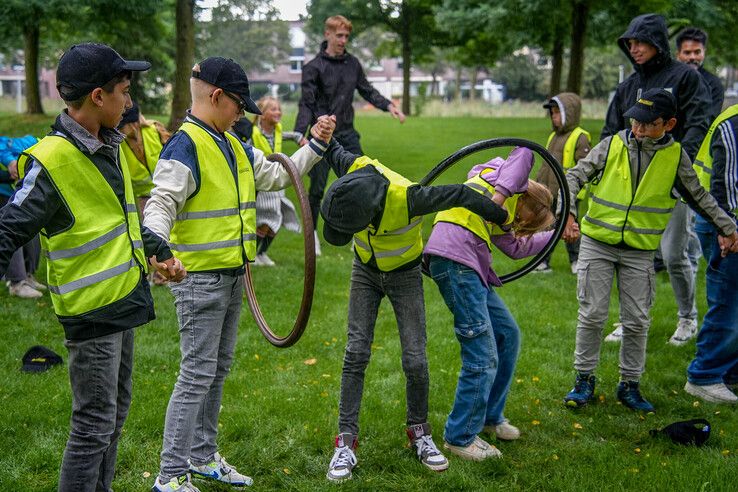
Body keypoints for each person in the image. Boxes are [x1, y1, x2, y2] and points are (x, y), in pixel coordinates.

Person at [143, 57, 335, 492]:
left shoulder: (231, 144)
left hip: (233, 276)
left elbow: (273, 175)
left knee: (216, 368)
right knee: (196, 373)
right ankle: (170, 475)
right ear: (216, 97)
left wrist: (316, 146)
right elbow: (160, 203)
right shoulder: (185, 145)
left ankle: (203, 455)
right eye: (237, 105)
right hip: (201, 281)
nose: (242, 113)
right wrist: (158, 245)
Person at [0, 43, 185, 492]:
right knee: (92, 427)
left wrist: (158, 249)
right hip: (92, 313)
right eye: (124, 90)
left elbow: (121, 218)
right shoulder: (51, 162)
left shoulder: (109, 144)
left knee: (112, 419)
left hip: (121, 302)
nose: (129, 101)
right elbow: (6, 229)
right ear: (98, 96)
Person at [318, 140, 509, 481]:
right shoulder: (355, 169)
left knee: (415, 358)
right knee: (355, 352)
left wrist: (500, 216)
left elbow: (460, 194)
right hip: (364, 271)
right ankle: (345, 442)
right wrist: (323, 132)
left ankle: (420, 433)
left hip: (404, 275)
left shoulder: (409, 198)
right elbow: (334, 150)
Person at [562, 89, 738, 413]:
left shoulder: (675, 158)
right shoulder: (613, 144)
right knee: (593, 314)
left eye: (648, 123)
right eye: (635, 120)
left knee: (637, 321)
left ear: (669, 124)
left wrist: (728, 227)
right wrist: (568, 213)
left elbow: (700, 197)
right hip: (597, 243)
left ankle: (629, 384)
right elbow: (573, 176)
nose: (638, 129)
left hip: (639, 252)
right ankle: (583, 379)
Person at [425, 148, 555, 461]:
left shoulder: (503, 210)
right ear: (526, 198)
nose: (521, 224)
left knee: (507, 334)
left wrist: (553, 234)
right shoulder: (500, 177)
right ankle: (460, 436)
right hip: (457, 261)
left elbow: (514, 247)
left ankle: (489, 417)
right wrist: (498, 199)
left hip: (471, 266)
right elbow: (524, 152)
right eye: (528, 218)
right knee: (481, 355)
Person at [601, 14, 712, 346]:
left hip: (672, 185)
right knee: (633, 256)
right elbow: (611, 133)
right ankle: (630, 321)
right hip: (632, 187)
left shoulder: (685, 78)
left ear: (657, 42)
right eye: (629, 44)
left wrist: (680, 167)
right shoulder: (628, 87)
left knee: (675, 255)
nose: (633, 49)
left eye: (640, 42)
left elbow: (698, 121)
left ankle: (688, 318)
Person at [295, 14, 406, 255]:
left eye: (346, 36)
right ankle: (312, 235)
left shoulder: (353, 64)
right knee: (317, 187)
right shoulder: (313, 67)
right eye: (339, 35)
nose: (344, 40)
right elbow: (307, 103)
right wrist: (299, 133)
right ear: (327, 35)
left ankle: (362, 232)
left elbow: (367, 90)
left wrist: (389, 105)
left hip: (347, 134)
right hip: (322, 135)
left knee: (366, 181)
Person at [684, 103, 738, 404]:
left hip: (727, 221)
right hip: (722, 221)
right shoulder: (732, 123)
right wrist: (728, 229)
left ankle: (729, 370)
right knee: (728, 301)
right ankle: (705, 376)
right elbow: (724, 184)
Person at [232, 95, 303, 267]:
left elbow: (290, 135)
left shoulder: (277, 130)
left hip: (277, 179)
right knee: (266, 221)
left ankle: (261, 253)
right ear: (262, 115)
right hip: (262, 180)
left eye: (279, 109)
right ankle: (253, 254)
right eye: (273, 109)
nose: (278, 112)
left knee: (276, 221)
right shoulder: (254, 133)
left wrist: (299, 137)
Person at [534, 92, 591, 274]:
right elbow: (546, 164)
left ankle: (576, 261)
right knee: (546, 227)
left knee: (569, 228)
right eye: (552, 113)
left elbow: (585, 167)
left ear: (570, 113)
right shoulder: (553, 137)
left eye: (558, 113)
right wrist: (538, 184)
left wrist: (575, 195)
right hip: (550, 192)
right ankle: (543, 261)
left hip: (567, 194)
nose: (554, 117)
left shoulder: (580, 137)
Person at [0, 135, 44, 298]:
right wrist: (10, 169)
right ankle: (16, 282)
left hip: (20, 194)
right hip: (5, 197)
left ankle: (28, 276)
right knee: (11, 233)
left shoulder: (31, 141)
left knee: (33, 234)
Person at [118, 100, 171, 212]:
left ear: (134, 124)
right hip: (144, 198)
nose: (119, 129)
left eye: (122, 126)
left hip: (167, 191)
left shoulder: (155, 130)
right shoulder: (118, 144)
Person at [676, 27, 724, 123]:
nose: (692, 57)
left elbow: (710, 120)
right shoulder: (669, 79)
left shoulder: (714, 84)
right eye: (687, 52)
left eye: (697, 52)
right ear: (678, 54)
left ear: (704, 52)